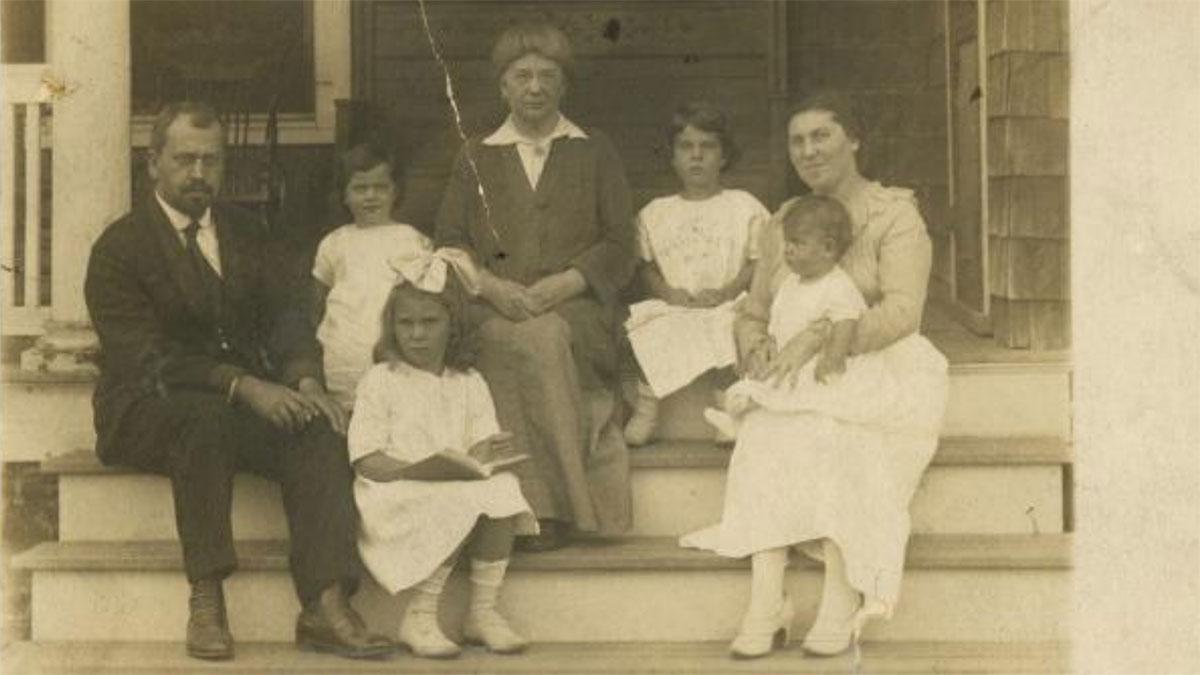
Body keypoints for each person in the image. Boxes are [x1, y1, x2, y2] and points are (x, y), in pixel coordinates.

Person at [84, 102, 391, 661]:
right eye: (184, 160)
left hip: (237, 405)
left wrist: (304, 380)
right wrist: (242, 384)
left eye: (212, 160)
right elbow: (143, 359)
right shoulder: (119, 249)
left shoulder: (250, 232)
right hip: (145, 409)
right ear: (153, 164)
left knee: (317, 428)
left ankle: (326, 604)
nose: (199, 173)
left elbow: (289, 316)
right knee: (205, 417)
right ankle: (206, 598)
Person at [681, 92, 949, 659]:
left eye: (822, 136)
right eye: (797, 141)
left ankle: (839, 595)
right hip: (796, 374)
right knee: (764, 438)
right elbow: (755, 309)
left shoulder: (894, 213)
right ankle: (766, 600)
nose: (809, 150)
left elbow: (903, 311)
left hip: (876, 362)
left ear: (853, 139)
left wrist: (821, 343)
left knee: (837, 438)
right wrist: (756, 348)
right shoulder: (784, 222)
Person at [435, 21, 636, 551]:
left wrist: (567, 283)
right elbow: (450, 243)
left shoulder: (595, 151)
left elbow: (621, 243)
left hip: (576, 311)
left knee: (545, 338)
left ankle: (548, 510)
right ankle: (539, 506)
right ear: (503, 87)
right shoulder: (476, 155)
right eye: (521, 76)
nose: (535, 88)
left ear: (563, 86)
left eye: (547, 76)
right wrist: (493, 289)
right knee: (517, 339)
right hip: (493, 308)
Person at [349, 253, 536, 659]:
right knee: (452, 497)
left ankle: (482, 613)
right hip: (393, 492)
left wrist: (482, 454)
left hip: (450, 484)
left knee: (503, 489)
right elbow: (367, 459)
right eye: (406, 323)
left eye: (429, 322)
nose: (416, 334)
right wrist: (415, 470)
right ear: (392, 327)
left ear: (452, 325)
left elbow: (480, 448)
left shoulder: (468, 381)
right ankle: (419, 615)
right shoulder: (381, 380)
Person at [623, 102, 768, 445]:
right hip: (676, 303)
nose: (697, 156)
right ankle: (646, 412)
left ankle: (727, 413)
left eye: (708, 147)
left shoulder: (743, 205)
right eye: (687, 147)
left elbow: (758, 260)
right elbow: (645, 265)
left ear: (724, 155)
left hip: (726, 302)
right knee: (648, 331)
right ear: (673, 157)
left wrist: (730, 290)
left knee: (728, 331)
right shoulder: (656, 212)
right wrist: (668, 294)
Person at [702, 195, 900, 436]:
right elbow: (780, 317)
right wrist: (769, 343)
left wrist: (833, 358)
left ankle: (743, 419)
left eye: (798, 243)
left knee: (792, 393)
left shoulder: (837, 285)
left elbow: (846, 321)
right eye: (787, 242)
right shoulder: (791, 283)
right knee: (761, 380)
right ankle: (739, 417)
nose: (788, 249)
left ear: (827, 248)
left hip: (816, 362)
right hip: (789, 355)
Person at [312, 143, 435, 411]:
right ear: (344, 195)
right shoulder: (334, 243)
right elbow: (317, 304)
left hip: (391, 355)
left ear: (395, 191)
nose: (371, 196)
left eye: (380, 187)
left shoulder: (411, 240)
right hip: (342, 358)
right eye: (360, 188)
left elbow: (421, 302)